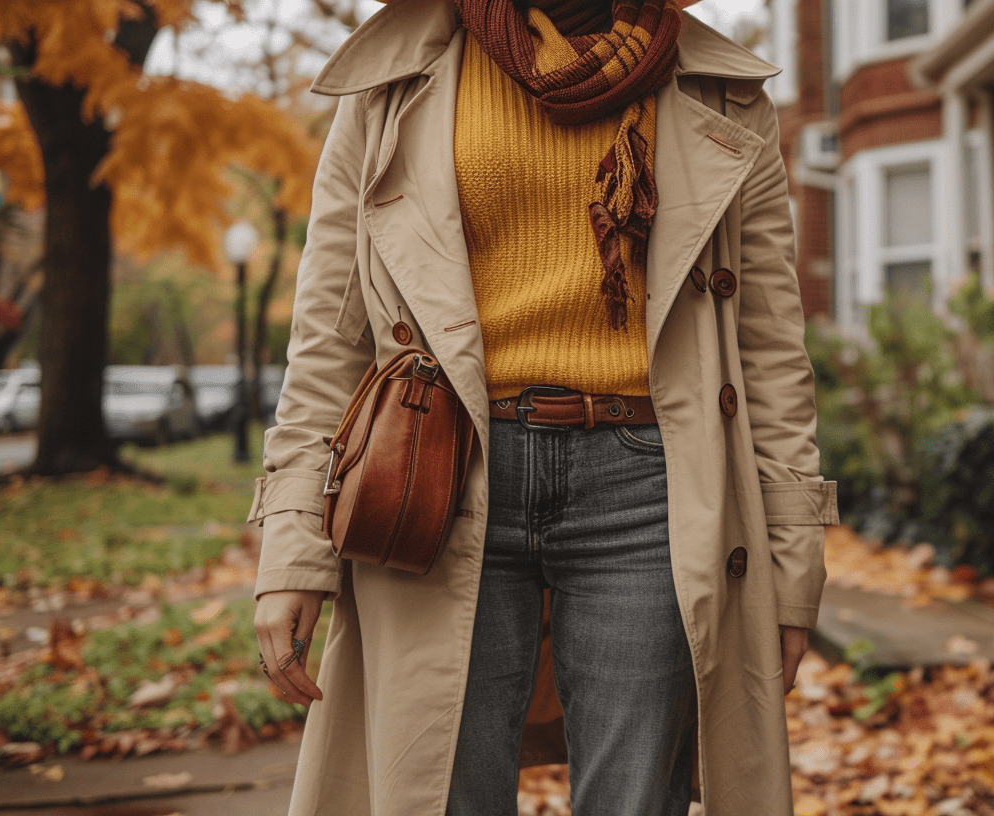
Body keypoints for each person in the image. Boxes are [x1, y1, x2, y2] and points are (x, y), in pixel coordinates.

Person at [249, 0, 837, 814]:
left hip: (654, 487)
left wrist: (790, 567)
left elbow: (771, 350)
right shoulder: (392, 82)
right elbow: (330, 340)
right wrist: (292, 552)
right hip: (439, 478)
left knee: (635, 798)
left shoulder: (719, 92)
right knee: (437, 790)